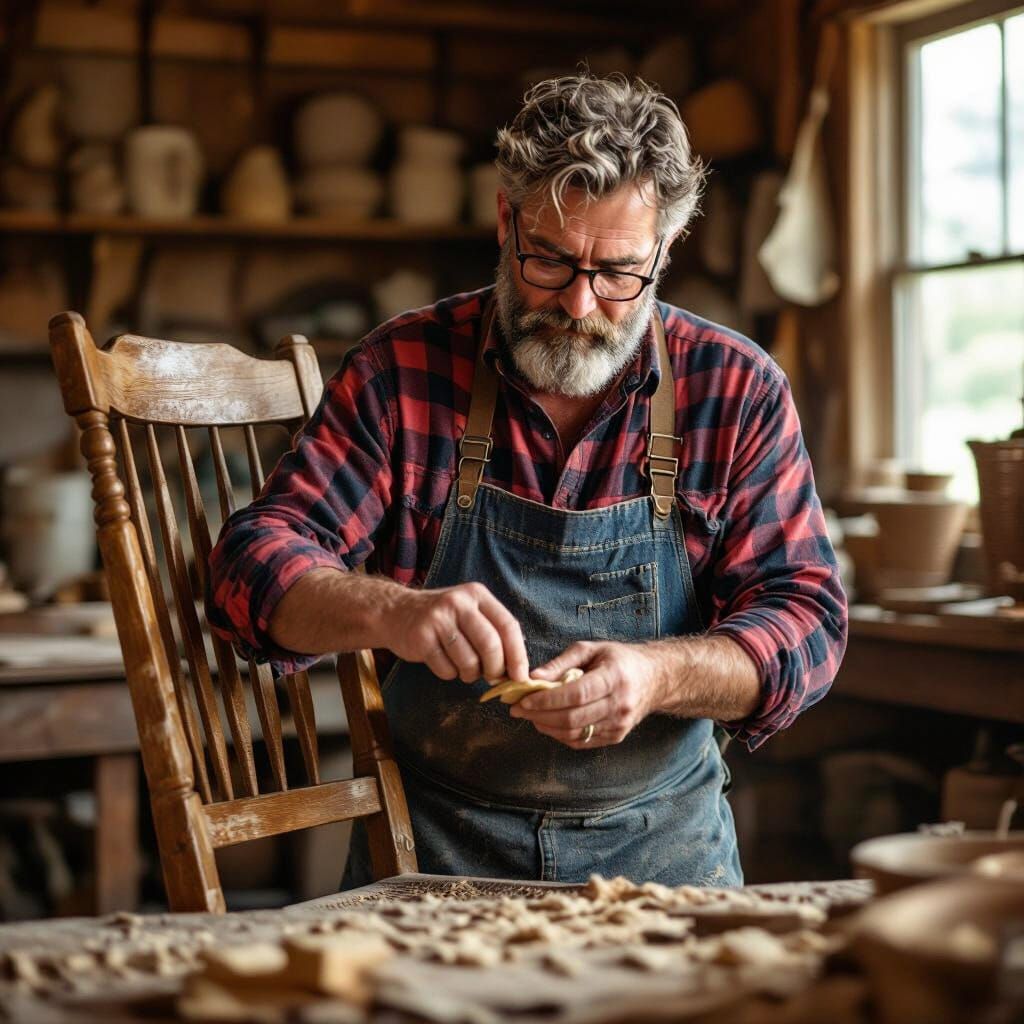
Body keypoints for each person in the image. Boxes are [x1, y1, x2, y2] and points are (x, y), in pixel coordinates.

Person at [208, 74, 847, 889]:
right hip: (431, 855)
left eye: (619, 273)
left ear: (665, 249)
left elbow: (809, 623)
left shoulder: (735, 388)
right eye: (550, 259)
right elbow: (247, 568)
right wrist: (392, 612)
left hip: (663, 857)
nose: (580, 304)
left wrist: (658, 676)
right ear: (506, 220)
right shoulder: (401, 371)